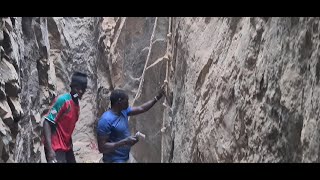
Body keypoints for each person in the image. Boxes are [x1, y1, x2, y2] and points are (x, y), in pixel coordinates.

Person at [97, 87, 165, 163]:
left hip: (126, 157)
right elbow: (102, 148)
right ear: (119, 101)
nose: (128, 102)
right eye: (126, 100)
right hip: (113, 160)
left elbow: (141, 108)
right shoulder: (105, 120)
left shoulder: (123, 111)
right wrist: (124, 142)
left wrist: (157, 97)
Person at [42, 71, 88, 163]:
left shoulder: (76, 105)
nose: (81, 91)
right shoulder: (63, 100)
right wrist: (50, 150)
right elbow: (47, 122)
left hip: (66, 147)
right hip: (56, 147)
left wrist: (70, 147)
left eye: (83, 89)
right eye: (79, 88)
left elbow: (67, 129)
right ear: (73, 87)